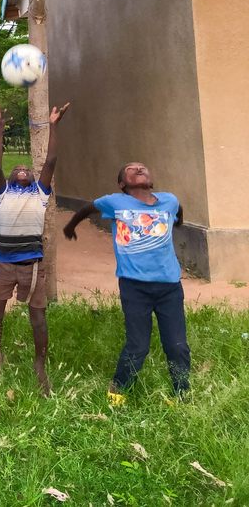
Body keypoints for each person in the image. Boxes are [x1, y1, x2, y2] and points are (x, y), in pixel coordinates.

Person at [63, 163, 190, 402]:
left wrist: (178, 221)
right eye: (131, 169)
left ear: (151, 179)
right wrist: (70, 226)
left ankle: (182, 394)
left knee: (177, 345)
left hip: (169, 287)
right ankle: (117, 393)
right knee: (138, 345)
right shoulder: (114, 202)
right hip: (134, 287)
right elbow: (88, 208)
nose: (139, 168)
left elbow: (179, 209)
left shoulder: (169, 200)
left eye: (142, 167)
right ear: (122, 184)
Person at [0, 103, 69, 395]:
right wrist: (0, 128)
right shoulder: (3, 193)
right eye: (17, 169)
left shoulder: (40, 193)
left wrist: (53, 125)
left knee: (38, 318)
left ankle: (39, 364)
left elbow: (51, 160)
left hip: (33, 266)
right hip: (4, 264)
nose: (22, 170)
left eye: (26, 169)